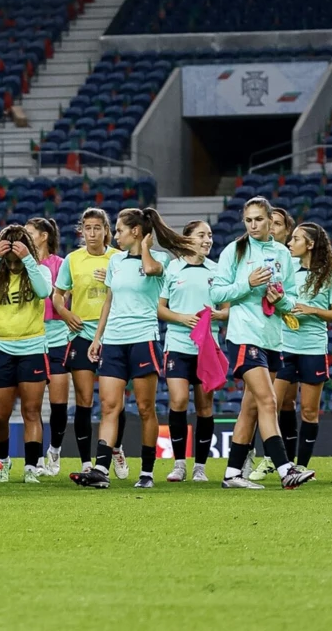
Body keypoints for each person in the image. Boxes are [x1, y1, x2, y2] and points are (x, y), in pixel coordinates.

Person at [75, 206, 190, 490]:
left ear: (136, 232)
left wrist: (147, 247)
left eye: (120, 230)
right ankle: (101, 469)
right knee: (110, 406)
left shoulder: (159, 259)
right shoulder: (116, 262)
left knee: (144, 408)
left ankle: (147, 472)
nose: (116, 235)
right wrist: (97, 337)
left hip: (143, 340)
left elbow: (151, 270)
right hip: (114, 340)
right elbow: (109, 302)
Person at [210, 195, 313, 490]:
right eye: (248, 220)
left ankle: (231, 474)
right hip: (244, 335)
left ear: (270, 220)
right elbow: (217, 294)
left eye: (259, 219)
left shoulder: (282, 254)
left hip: (271, 338)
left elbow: (293, 298)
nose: (253, 225)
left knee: (252, 408)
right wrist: (248, 284)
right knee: (269, 400)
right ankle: (285, 469)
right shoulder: (235, 250)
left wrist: (280, 299)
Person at [264, 220, 332, 479]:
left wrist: (312, 310)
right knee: (274, 405)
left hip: (313, 348)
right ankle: (279, 461)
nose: (290, 243)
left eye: (296, 239)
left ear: (310, 244)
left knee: (309, 411)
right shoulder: (287, 268)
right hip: (284, 345)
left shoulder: (331, 274)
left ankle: (301, 464)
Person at [158, 218, 229, 483]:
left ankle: (199, 466)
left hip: (207, 347)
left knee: (204, 406)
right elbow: (160, 308)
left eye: (209, 235)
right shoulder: (172, 269)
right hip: (177, 344)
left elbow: (228, 311)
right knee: (177, 401)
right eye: (201, 235)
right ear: (188, 239)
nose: (207, 240)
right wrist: (182, 318)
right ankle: (179, 464)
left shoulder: (218, 270)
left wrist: (214, 315)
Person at [0, 223, 53, 486]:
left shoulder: (40, 270)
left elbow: (44, 292)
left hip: (32, 347)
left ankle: (31, 467)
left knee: (31, 411)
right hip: (0, 347)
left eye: (18, 246)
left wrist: (27, 259)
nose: (13, 259)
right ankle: (2, 462)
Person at [53, 207, 114, 474]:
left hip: (114, 335)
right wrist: (65, 313)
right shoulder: (73, 260)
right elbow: (57, 296)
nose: (92, 233)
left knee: (113, 400)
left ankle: (116, 448)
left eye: (97, 228)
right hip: (81, 334)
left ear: (106, 230)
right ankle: (86, 462)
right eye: (87, 228)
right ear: (82, 230)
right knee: (84, 399)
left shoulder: (118, 259)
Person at [26, 216, 69, 476]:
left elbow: (65, 300)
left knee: (58, 403)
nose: (26, 236)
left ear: (43, 236)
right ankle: (37, 459)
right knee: (33, 405)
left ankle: (55, 450)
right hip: (32, 337)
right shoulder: (22, 265)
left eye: (30, 232)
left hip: (57, 337)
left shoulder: (61, 265)